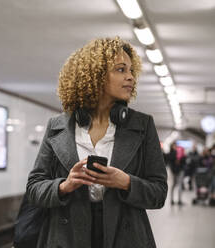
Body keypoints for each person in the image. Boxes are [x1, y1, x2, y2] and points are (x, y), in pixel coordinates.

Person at [26, 37, 167, 248]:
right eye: (121, 69)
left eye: (131, 70)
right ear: (96, 76)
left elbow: (159, 193)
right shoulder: (57, 126)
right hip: (67, 236)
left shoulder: (142, 125)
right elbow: (34, 188)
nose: (130, 77)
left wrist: (126, 182)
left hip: (125, 236)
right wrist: (65, 186)